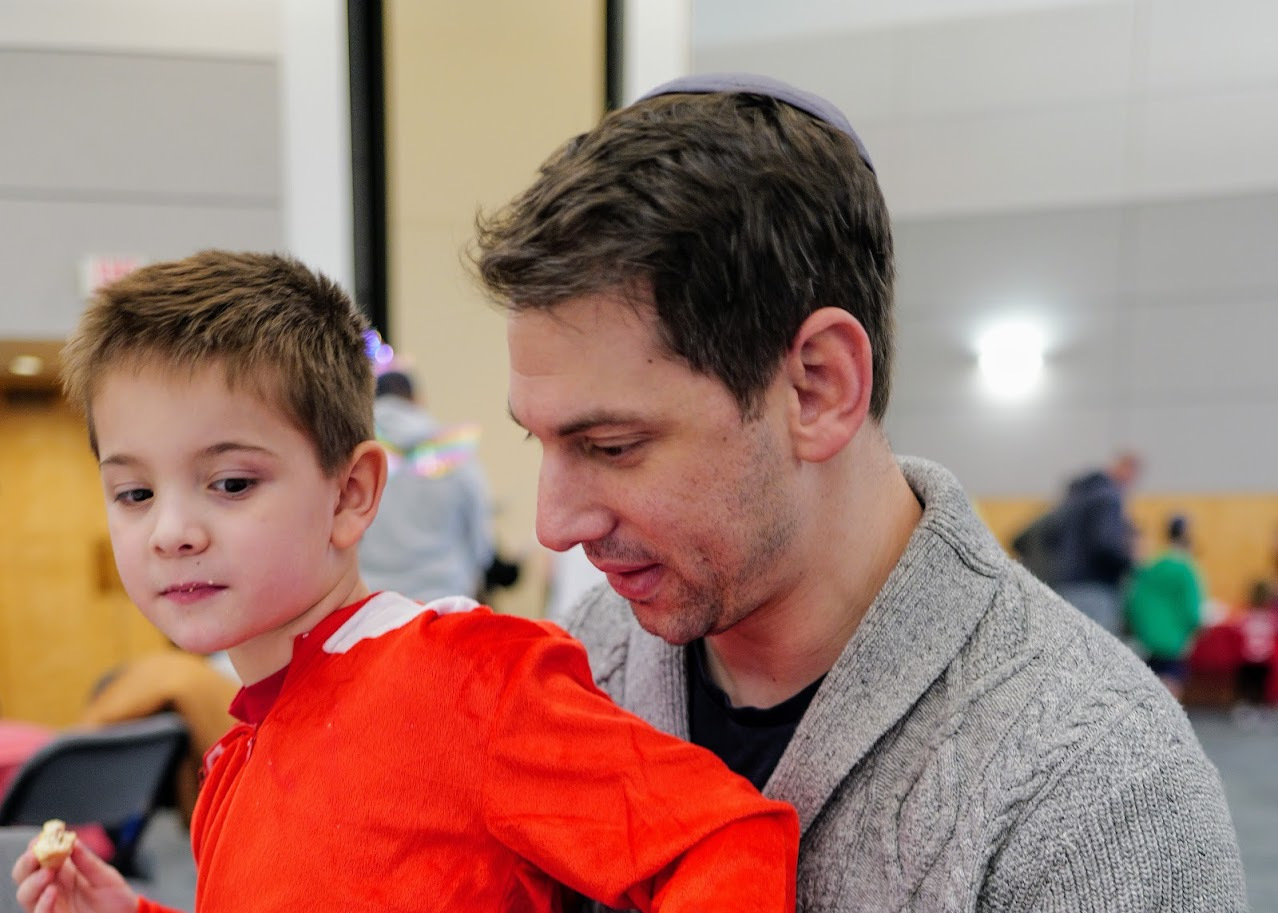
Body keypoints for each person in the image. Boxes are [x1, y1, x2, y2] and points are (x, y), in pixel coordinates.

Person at [475, 73, 1247, 909]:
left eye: (612, 446)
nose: (554, 523)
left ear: (819, 387)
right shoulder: (585, 661)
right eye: (539, 441)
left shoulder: (1098, 795)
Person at [11, 250, 799, 913]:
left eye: (231, 483)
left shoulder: (468, 681)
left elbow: (724, 837)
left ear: (351, 494)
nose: (171, 531)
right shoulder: (234, 760)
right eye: (135, 493)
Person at [358, 367, 514, 603]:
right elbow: (481, 543)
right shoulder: (453, 452)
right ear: (416, 399)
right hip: (442, 600)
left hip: (374, 603)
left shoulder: (355, 458)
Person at [1012, 453, 1142, 635]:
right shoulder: (1108, 497)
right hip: (1094, 590)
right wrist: (1132, 565)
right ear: (1125, 469)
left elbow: (1024, 539)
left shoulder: (1072, 499)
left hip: (1063, 587)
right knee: (1098, 648)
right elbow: (1106, 544)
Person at [1124, 514, 1205, 700]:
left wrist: (1141, 630)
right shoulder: (1186, 569)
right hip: (1174, 643)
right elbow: (1193, 611)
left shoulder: (1151, 567)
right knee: (1171, 694)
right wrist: (1191, 634)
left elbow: (1134, 604)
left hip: (1147, 641)